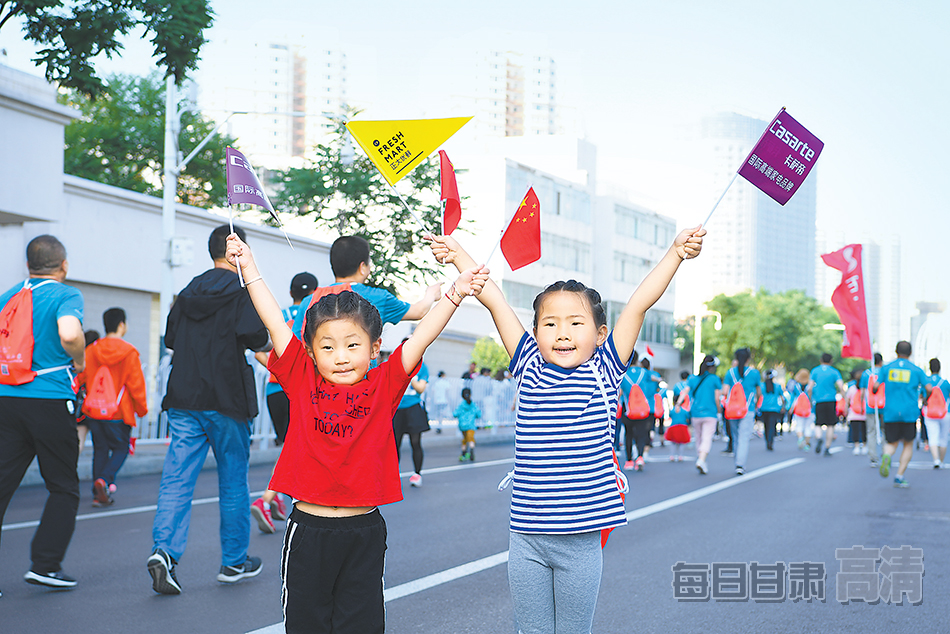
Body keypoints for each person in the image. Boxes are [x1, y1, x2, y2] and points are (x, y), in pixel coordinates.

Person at [430, 224, 704, 634]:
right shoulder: (527, 362)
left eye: (576, 323)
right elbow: (493, 298)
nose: (562, 332)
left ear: (600, 335)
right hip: (526, 538)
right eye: (550, 323)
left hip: (581, 542)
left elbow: (637, 306)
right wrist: (457, 254)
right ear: (535, 331)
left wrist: (675, 253)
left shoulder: (604, 367)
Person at [226, 231, 487, 634]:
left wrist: (455, 292)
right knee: (305, 625)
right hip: (308, 530)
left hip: (363, 530)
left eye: (352, 345)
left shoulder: (385, 384)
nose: (341, 356)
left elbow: (421, 336)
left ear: (374, 346)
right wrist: (249, 266)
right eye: (327, 347)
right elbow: (275, 322)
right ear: (310, 351)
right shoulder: (300, 375)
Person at [147, 225, 270, 596]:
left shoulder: (186, 293)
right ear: (238, 251)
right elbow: (258, 338)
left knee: (176, 479)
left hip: (184, 398)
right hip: (226, 400)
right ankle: (233, 562)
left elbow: (170, 339)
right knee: (233, 481)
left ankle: (164, 552)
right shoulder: (240, 291)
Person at [0, 236, 85, 592]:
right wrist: (79, 359)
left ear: (28, 266)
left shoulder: (9, 297)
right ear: (63, 266)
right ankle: (45, 565)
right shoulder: (65, 294)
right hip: (49, 400)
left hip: (6, 399)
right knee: (63, 485)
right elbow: (69, 333)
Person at [251, 272, 316, 534]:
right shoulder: (312, 314)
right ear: (315, 292)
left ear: (291, 293)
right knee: (298, 448)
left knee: (289, 445)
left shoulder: (279, 315)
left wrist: (278, 372)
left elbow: (259, 351)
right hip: (297, 391)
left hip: (273, 391)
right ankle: (266, 499)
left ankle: (278, 498)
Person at [291, 235, 441, 342]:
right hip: (361, 384)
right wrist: (431, 294)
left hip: (318, 384)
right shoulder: (378, 297)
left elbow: (295, 342)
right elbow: (419, 311)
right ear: (362, 267)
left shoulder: (308, 300)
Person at [80, 308, 148, 506]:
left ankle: (97, 494)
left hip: (93, 410)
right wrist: (142, 410)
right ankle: (105, 480)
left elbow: (82, 376)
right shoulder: (129, 353)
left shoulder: (91, 350)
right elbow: (136, 386)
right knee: (121, 448)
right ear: (121, 325)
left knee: (100, 450)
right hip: (118, 412)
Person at [874, 341, 930, 488]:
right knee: (908, 443)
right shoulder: (916, 370)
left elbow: (875, 387)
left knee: (891, 443)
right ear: (910, 353)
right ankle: (899, 476)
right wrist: (925, 399)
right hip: (909, 413)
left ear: (896, 351)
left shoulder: (886, 368)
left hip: (890, 412)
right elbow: (929, 388)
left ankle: (886, 456)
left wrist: (875, 390)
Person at [394, 336, 430, 487]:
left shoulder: (422, 367)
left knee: (415, 442)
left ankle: (417, 474)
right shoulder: (395, 364)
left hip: (413, 408)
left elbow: (421, 388)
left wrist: (410, 375)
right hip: (396, 409)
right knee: (394, 444)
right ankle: (393, 476)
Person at [677, 355, 721, 474]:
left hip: (696, 413)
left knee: (699, 438)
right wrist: (719, 411)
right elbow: (717, 398)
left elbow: (684, 392)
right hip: (710, 413)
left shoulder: (692, 379)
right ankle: (701, 460)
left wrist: (677, 404)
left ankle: (701, 460)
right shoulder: (715, 379)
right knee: (707, 438)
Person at [722, 348, 762, 476]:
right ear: (748, 359)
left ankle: (737, 463)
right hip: (747, 409)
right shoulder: (755, 373)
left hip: (732, 410)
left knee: (735, 437)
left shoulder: (730, 373)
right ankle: (740, 465)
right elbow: (759, 392)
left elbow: (724, 391)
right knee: (744, 437)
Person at [619, 351, 660, 471]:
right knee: (641, 434)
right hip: (642, 410)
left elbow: (619, 392)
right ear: (637, 360)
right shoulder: (644, 372)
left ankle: (629, 461)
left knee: (628, 434)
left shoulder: (623, 373)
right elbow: (655, 379)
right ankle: (640, 457)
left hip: (628, 410)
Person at [808, 353, 844, 456]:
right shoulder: (834, 372)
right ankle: (827, 448)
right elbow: (841, 387)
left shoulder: (815, 371)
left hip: (819, 400)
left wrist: (810, 399)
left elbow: (810, 388)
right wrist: (845, 398)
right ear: (831, 361)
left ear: (820, 359)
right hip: (831, 400)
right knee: (831, 425)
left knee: (818, 423)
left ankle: (819, 438)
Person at [923, 358, 949, 469]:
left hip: (930, 413)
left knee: (933, 436)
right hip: (945, 413)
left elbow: (922, 396)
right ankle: (942, 461)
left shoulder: (926, 382)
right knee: (943, 437)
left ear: (929, 368)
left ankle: (936, 459)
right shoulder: (945, 383)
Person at [860, 353, 885, 466]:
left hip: (870, 406)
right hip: (885, 406)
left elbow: (862, 392)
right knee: (885, 431)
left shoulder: (866, 373)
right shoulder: (885, 372)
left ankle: (873, 458)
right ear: (881, 361)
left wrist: (861, 404)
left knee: (871, 431)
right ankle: (885, 455)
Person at [454, 387, 481, 461]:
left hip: (462, 426)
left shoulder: (461, 405)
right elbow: (479, 414)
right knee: (471, 439)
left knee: (464, 440)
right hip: (471, 425)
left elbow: (455, 414)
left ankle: (463, 454)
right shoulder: (473, 405)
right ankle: (471, 451)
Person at [844, 368, 867, 456]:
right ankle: (864, 446)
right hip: (864, 413)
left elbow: (848, 400)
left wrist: (846, 410)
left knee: (855, 430)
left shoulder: (852, 388)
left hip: (854, 413)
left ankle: (856, 447)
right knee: (864, 430)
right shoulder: (865, 389)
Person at [760, 370, 784, 451]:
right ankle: (771, 442)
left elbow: (758, 396)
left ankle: (767, 440)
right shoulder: (777, 386)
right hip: (774, 409)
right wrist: (783, 406)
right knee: (772, 426)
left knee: (766, 425)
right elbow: (782, 397)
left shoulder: (762, 386)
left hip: (764, 408)